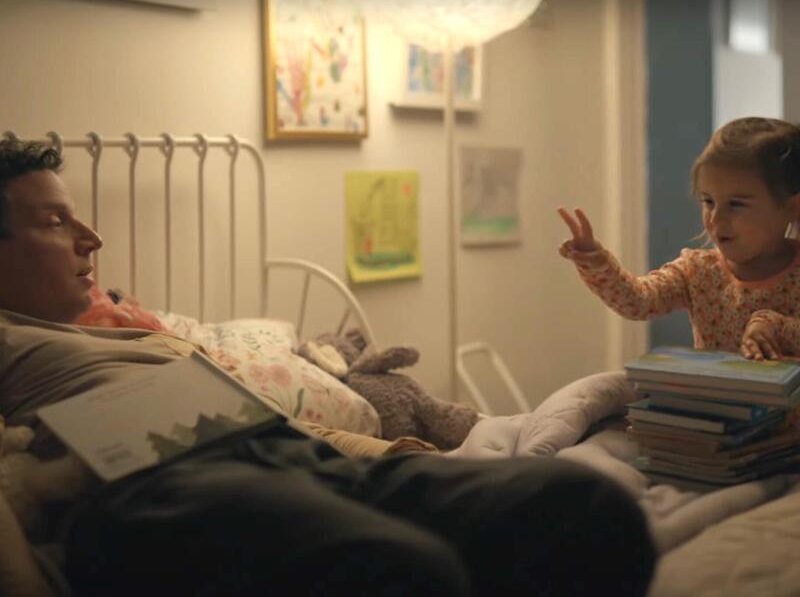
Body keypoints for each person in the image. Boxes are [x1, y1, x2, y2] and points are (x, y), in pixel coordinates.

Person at [0, 138, 656, 596]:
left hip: (286, 456)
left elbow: (276, 421)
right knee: (400, 568)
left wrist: (398, 453)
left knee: (584, 504)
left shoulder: (144, 331)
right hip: (155, 489)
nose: (92, 239)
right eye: (57, 222)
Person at [559, 116, 800, 362]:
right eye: (708, 201)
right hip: (712, 400)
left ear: (792, 208)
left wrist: (774, 325)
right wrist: (596, 263)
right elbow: (638, 301)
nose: (716, 219)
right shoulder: (697, 271)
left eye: (736, 204)